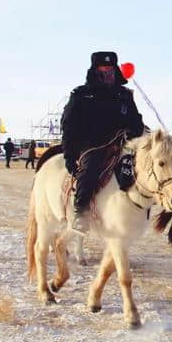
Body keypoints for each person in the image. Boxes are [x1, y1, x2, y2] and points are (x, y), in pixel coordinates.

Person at [62, 51, 144, 236]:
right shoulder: (82, 95)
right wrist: (70, 156)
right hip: (92, 146)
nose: (108, 73)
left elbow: (136, 121)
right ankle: (81, 212)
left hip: (122, 145)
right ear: (95, 71)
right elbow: (69, 126)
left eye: (110, 69)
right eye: (103, 69)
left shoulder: (124, 95)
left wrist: (135, 130)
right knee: (90, 170)